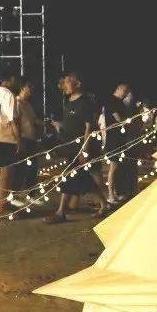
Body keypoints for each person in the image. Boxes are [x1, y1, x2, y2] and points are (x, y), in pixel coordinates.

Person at [46, 71, 109, 223]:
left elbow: (89, 127)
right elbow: (71, 123)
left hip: (79, 148)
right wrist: (59, 126)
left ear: (78, 84)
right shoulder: (69, 101)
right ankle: (104, 203)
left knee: (69, 177)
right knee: (82, 178)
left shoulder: (85, 103)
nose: (64, 85)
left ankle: (60, 212)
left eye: (67, 82)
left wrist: (84, 149)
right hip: (69, 147)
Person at [0, 75, 22, 215]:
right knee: (6, 175)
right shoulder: (8, 94)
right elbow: (13, 120)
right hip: (7, 138)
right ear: (7, 81)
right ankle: (2, 209)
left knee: (4, 174)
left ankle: (3, 206)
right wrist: (19, 140)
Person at [12, 79, 43, 205]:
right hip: (22, 139)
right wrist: (18, 141)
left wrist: (46, 123)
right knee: (20, 169)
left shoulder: (28, 104)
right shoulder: (16, 103)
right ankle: (14, 197)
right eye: (30, 88)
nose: (32, 91)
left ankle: (30, 195)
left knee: (33, 169)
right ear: (23, 88)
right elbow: (15, 123)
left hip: (31, 139)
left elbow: (33, 120)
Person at [101, 82, 132, 204]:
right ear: (118, 89)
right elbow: (117, 118)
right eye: (125, 91)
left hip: (120, 137)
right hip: (113, 138)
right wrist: (126, 122)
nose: (126, 94)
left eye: (127, 92)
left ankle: (114, 193)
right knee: (113, 167)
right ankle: (110, 194)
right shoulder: (111, 100)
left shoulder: (119, 102)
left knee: (117, 166)